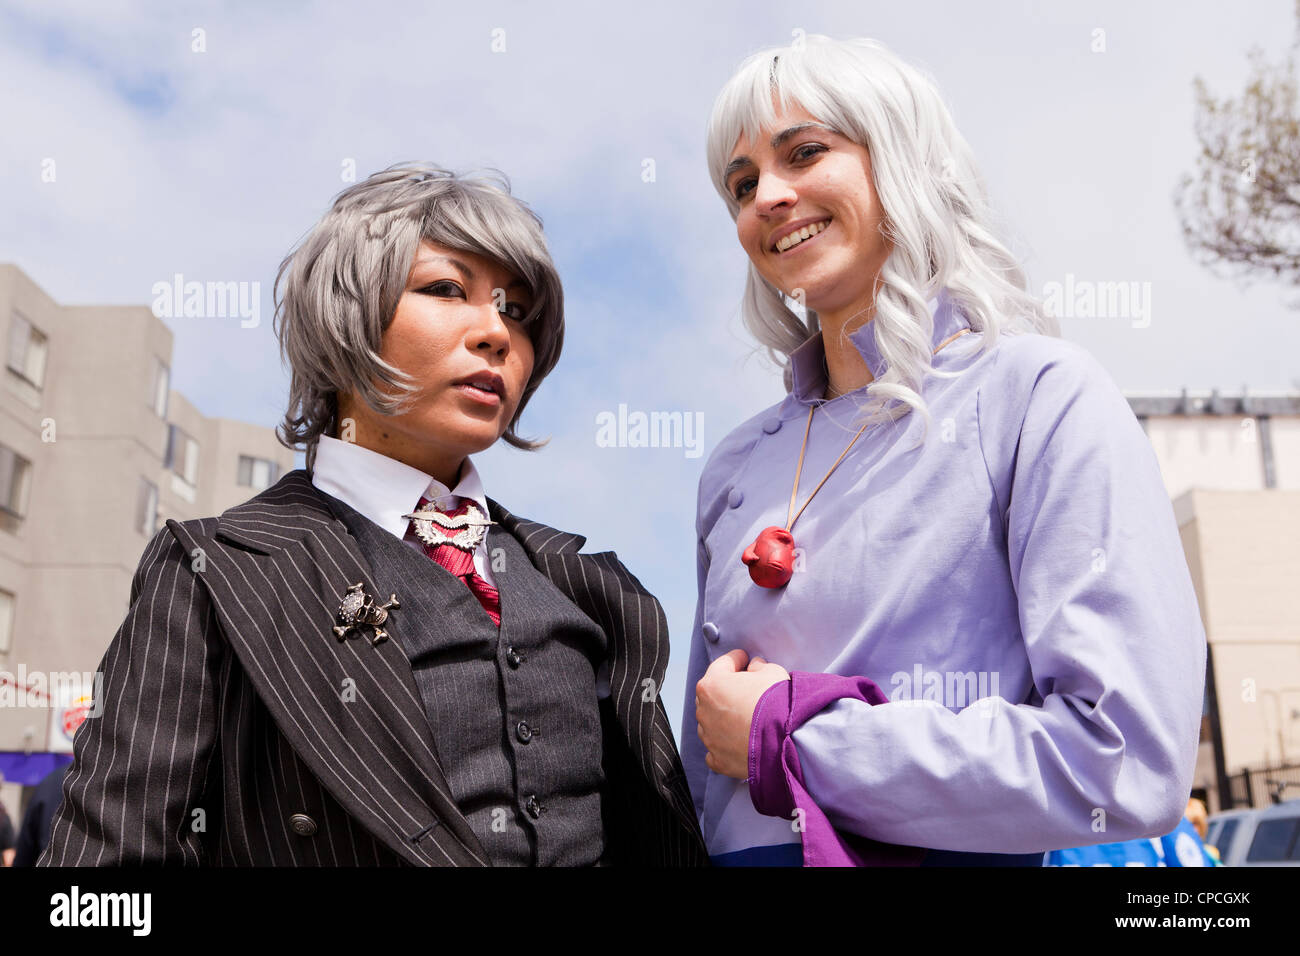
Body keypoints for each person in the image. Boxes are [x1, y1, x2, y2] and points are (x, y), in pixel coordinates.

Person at [40, 162, 707, 866]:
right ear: (345, 312)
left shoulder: (585, 584)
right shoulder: (216, 569)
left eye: (517, 310)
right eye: (448, 290)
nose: (496, 332)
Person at [685, 35, 1206, 866]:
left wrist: (795, 740)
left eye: (805, 152)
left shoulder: (1039, 395)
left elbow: (1128, 761)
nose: (769, 197)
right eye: (742, 184)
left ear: (902, 161)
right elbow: (706, 791)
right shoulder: (732, 468)